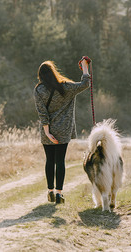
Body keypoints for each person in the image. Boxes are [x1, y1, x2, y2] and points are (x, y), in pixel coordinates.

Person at [34, 58, 90, 204]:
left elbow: (42, 113)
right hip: (64, 129)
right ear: (54, 72)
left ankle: (50, 192)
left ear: (40, 75)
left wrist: (47, 132)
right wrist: (85, 68)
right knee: (60, 161)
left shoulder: (39, 90)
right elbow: (85, 84)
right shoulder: (65, 87)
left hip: (48, 130)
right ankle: (59, 194)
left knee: (49, 161)